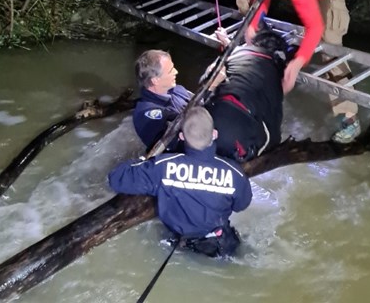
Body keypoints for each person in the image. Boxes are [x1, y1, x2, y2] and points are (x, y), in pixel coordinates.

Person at [219, 0, 360, 143]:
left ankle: (350, 118)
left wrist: (296, 64)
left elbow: (314, 26)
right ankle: (258, 49)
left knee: (330, 46)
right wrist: (253, 23)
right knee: (248, 7)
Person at [109, 106, 253, 257]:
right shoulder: (234, 172)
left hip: (183, 248)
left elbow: (116, 178)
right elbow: (242, 204)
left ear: (182, 137)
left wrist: (143, 160)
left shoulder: (163, 166)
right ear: (215, 134)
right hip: (226, 244)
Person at [204, 25, 288, 162]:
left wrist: (224, 39)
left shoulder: (237, 53)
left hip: (209, 116)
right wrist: (272, 150)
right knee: (266, 137)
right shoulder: (272, 74)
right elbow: (274, 120)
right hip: (233, 132)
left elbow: (231, 49)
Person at [133, 50, 191, 152]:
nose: (176, 71)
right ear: (155, 80)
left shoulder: (178, 90)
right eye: (171, 70)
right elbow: (171, 146)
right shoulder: (146, 114)